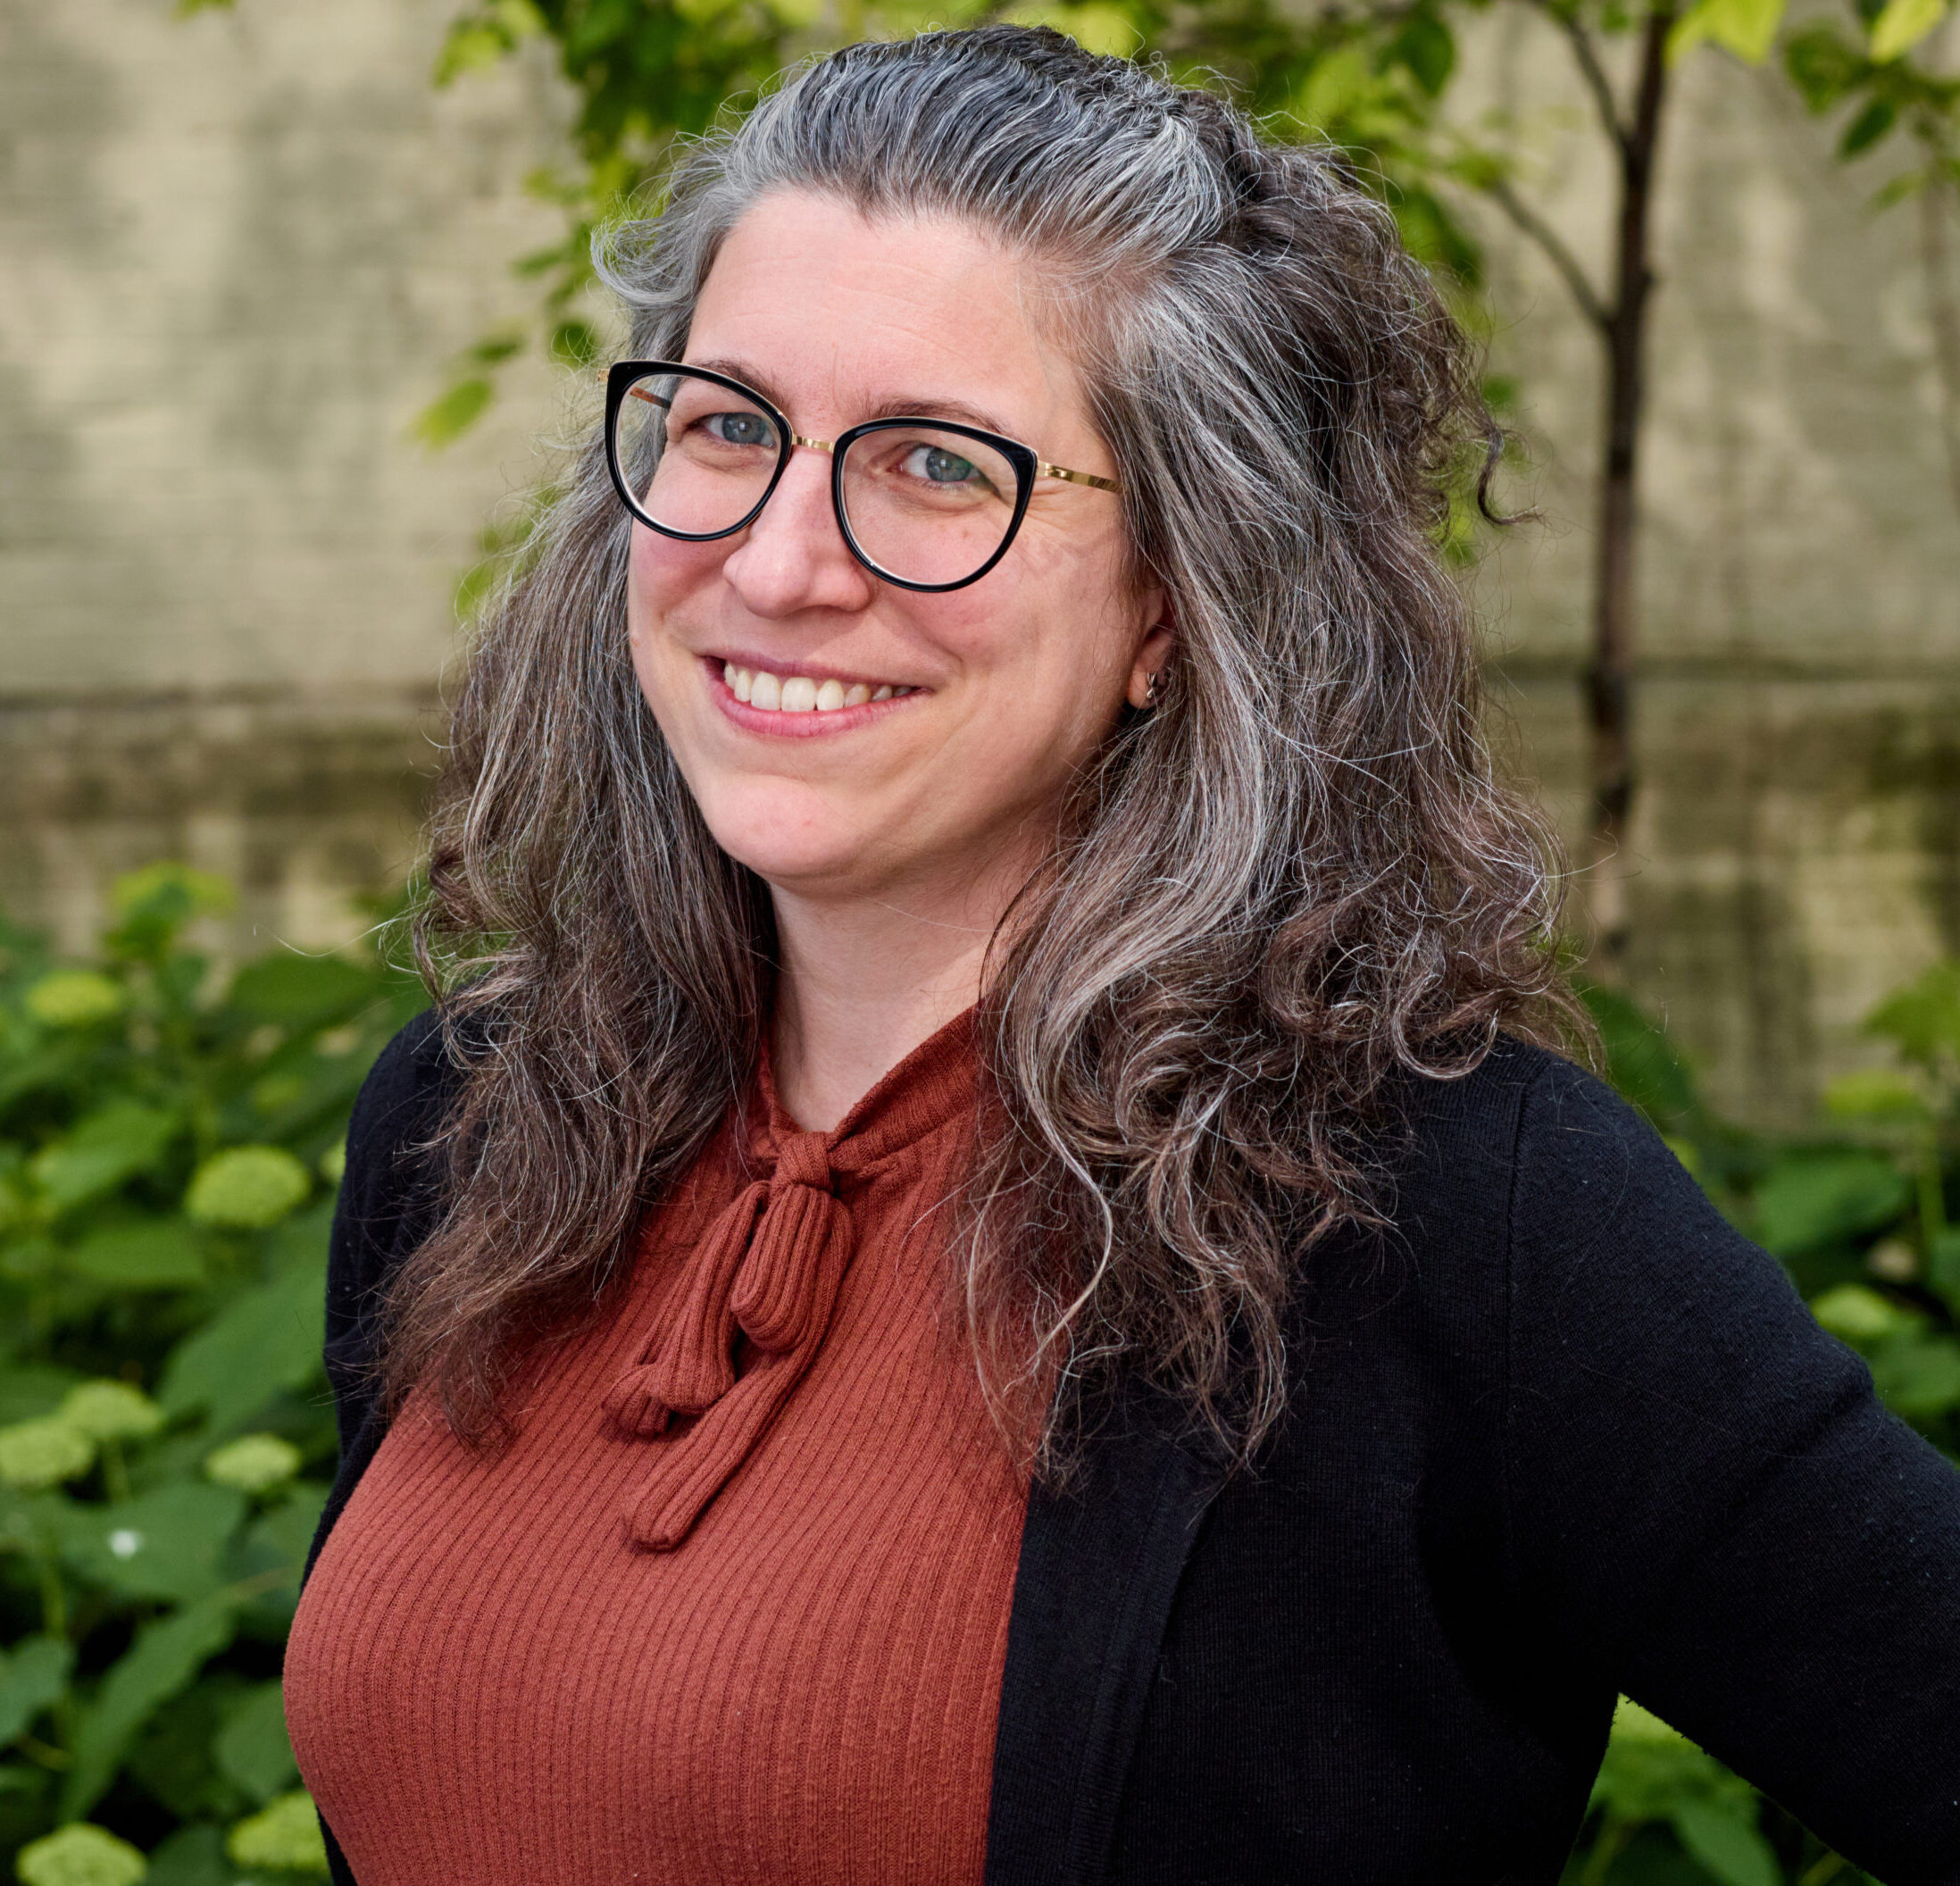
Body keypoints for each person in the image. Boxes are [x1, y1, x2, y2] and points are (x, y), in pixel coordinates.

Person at [281, 25, 1960, 1886]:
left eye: (934, 465)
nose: (775, 563)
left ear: (1178, 595)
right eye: (727, 425)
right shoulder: (483, 1128)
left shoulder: (1442, 1221)